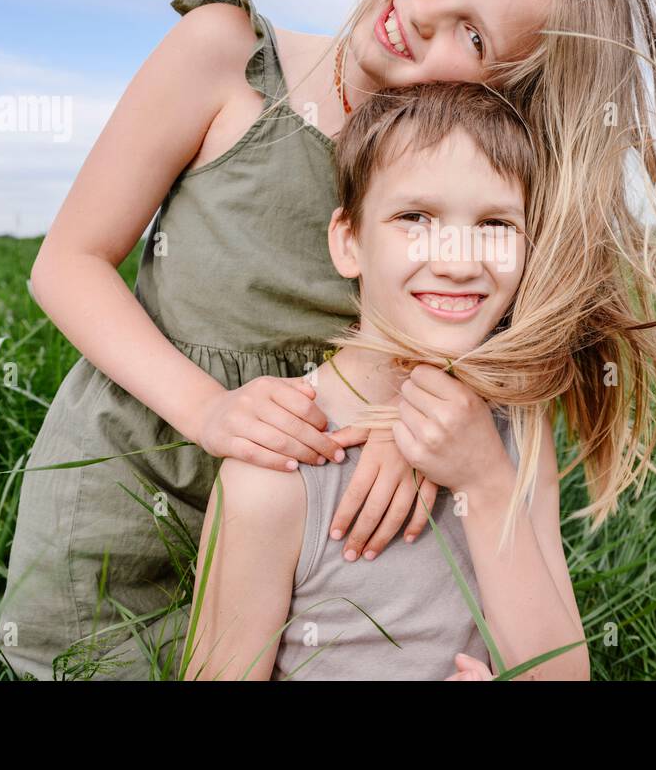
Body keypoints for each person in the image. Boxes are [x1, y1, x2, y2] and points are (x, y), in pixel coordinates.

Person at [0, 0, 656, 680]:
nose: (424, 9)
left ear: (503, 91)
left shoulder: (469, 188)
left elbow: (503, 317)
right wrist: (212, 412)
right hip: (135, 481)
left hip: (325, 519)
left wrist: (420, 405)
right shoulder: (227, 56)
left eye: (473, 35)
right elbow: (68, 262)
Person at [185, 80, 588, 680]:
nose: (457, 261)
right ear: (349, 242)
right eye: (415, 217)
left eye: (496, 224)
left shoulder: (522, 425)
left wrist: (485, 479)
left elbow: (561, 673)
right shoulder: (280, 465)